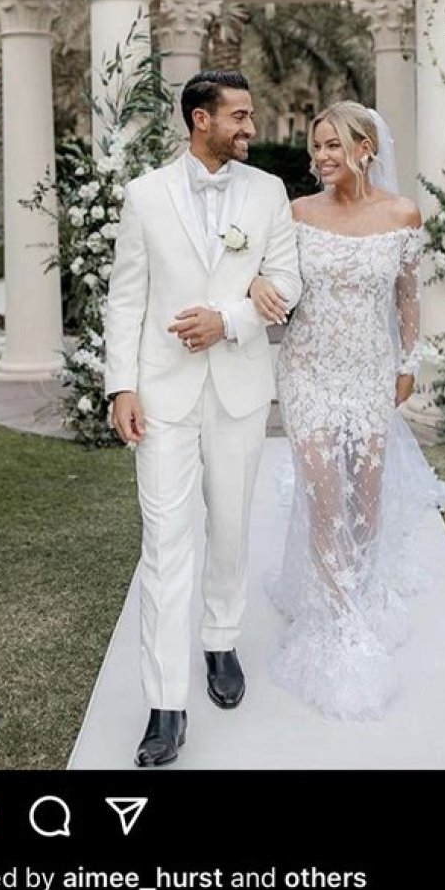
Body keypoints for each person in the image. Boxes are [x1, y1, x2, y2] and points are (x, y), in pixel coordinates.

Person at [104, 70, 302, 767]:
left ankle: (221, 640)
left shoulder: (268, 191)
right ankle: (165, 706)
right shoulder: (144, 195)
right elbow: (126, 298)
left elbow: (287, 281)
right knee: (164, 543)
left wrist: (230, 319)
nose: (251, 127)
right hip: (162, 395)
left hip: (239, 389)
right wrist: (120, 386)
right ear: (201, 119)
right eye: (239, 116)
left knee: (231, 528)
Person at [249, 101, 445, 720]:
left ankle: (358, 589)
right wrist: (256, 285)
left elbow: (407, 296)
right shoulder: (298, 214)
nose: (321, 156)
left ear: (366, 149)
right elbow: (267, 275)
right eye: (317, 146)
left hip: (369, 372)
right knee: (324, 497)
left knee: (365, 497)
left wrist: (408, 362)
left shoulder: (402, 214)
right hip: (307, 373)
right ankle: (340, 623)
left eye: (333, 145)